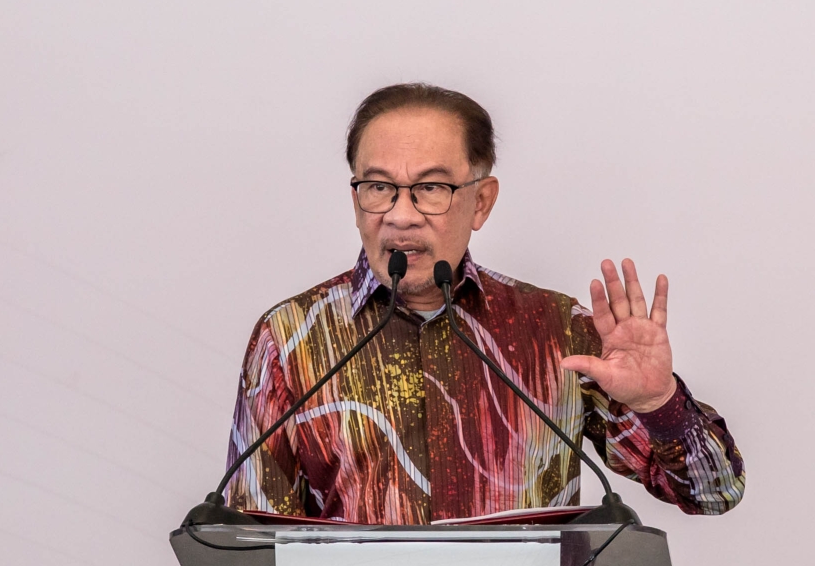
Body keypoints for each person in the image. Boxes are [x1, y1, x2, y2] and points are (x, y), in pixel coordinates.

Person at [225, 82, 745, 525]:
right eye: (379, 186)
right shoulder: (291, 338)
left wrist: (659, 405)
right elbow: (249, 545)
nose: (400, 216)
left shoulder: (559, 334)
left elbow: (713, 493)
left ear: (482, 201)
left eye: (431, 187)